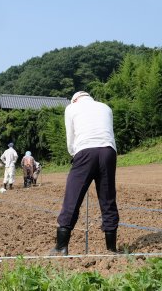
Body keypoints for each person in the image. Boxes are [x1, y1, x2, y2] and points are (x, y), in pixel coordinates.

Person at [50, 91, 119, 255]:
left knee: (72, 198)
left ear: (75, 100)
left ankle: (61, 247)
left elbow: (70, 138)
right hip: (109, 151)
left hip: (85, 152)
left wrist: (75, 154)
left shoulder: (71, 108)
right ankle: (111, 248)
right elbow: (109, 132)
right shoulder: (105, 107)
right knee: (108, 198)